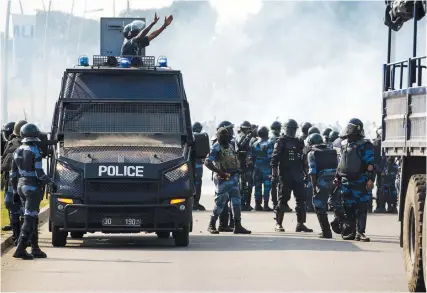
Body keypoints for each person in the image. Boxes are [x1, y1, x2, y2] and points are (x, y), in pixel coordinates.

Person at [11, 123, 56, 259]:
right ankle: (21, 247)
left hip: (20, 186)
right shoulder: (35, 151)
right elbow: (39, 174)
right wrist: (51, 181)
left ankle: (35, 248)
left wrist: (14, 192)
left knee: (31, 216)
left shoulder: (17, 150)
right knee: (30, 218)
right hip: (32, 188)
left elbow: (13, 174)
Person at [205, 127, 251, 235]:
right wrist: (220, 172)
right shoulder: (216, 147)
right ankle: (211, 224)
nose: (225, 138)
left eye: (227, 135)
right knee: (220, 203)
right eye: (223, 136)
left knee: (236, 203)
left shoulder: (230, 146)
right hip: (223, 179)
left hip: (233, 178)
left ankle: (237, 225)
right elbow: (207, 162)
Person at [335, 118, 375, 242]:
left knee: (361, 207)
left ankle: (360, 232)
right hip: (346, 180)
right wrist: (337, 176)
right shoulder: (343, 143)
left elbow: (370, 164)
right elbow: (341, 162)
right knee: (347, 207)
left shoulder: (365, 144)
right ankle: (350, 231)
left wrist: (370, 179)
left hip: (360, 180)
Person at [271, 119, 313, 233]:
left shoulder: (299, 141)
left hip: (298, 175)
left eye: (294, 129)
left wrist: (306, 173)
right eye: (290, 129)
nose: (292, 131)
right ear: (286, 129)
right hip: (285, 175)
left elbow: (303, 159)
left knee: (301, 200)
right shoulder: (281, 141)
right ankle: (278, 224)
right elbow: (274, 159)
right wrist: (274, 175)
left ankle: (300, 224)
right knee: (283, 199)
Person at [306, 133, 345, 238]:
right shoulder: (332, 151)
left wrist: (314, 188)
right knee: (337, 204)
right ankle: (345, 229)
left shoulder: (312, 153)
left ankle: (326, 231)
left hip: (323, 180)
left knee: (319, 204)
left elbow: (312, 171)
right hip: (336, 180)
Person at [2, 120, 26, 240]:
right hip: (21, 182)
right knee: (22, 210)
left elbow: (5, 165)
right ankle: (23, 238)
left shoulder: (14, 143)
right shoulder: (32, 145)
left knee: (15, 208)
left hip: (15, 181)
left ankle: (19, 238)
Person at [211, 121, 235, 232]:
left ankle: (226, 224)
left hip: (230, 176)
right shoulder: (218, 144)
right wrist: (220, 172)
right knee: (221, 201)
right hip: (222, 177)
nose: (231, 132)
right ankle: (215, 224)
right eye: (229, 129)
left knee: (230, 201)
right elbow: (209, 161)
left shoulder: (229, 144)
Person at [251, 126, 274, 211]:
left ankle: (257, 205)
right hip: (266, 169)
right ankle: (265, 205)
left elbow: (252, 157)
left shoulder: (254, 144)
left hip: (257, 168)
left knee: (257, 187)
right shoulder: (269, 144)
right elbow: (270, 157)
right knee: (267, 188)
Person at [236, 120, 254, 211]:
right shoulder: (239, 138)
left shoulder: (249, 138)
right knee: (243, 186)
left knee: (248, 186)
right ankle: (243, 204)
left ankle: (246, 203)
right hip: (242, 164)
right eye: (244, 129)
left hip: (247, 165)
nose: (245, 131)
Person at [1, 121, 15, 232]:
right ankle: (13, 223)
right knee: (9, 202)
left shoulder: (13, 143)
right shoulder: (9, 142)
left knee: (12, 202)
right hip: (8, 177)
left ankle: (16, 226)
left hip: (13, 177)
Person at [192, 122, 206, 211]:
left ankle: (192, 203)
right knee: (198, 184)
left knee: (191, 183)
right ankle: (196, 203)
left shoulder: (190, 137)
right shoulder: (202, 136)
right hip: (199, 164)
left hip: (190, 164)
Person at [372, 127, 385, 213]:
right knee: (381, 187)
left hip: (375, 167)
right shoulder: (385, 142)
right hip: (383, 167)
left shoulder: (375, 142)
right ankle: (381, 207)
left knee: (372, 186)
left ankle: (371, 207)